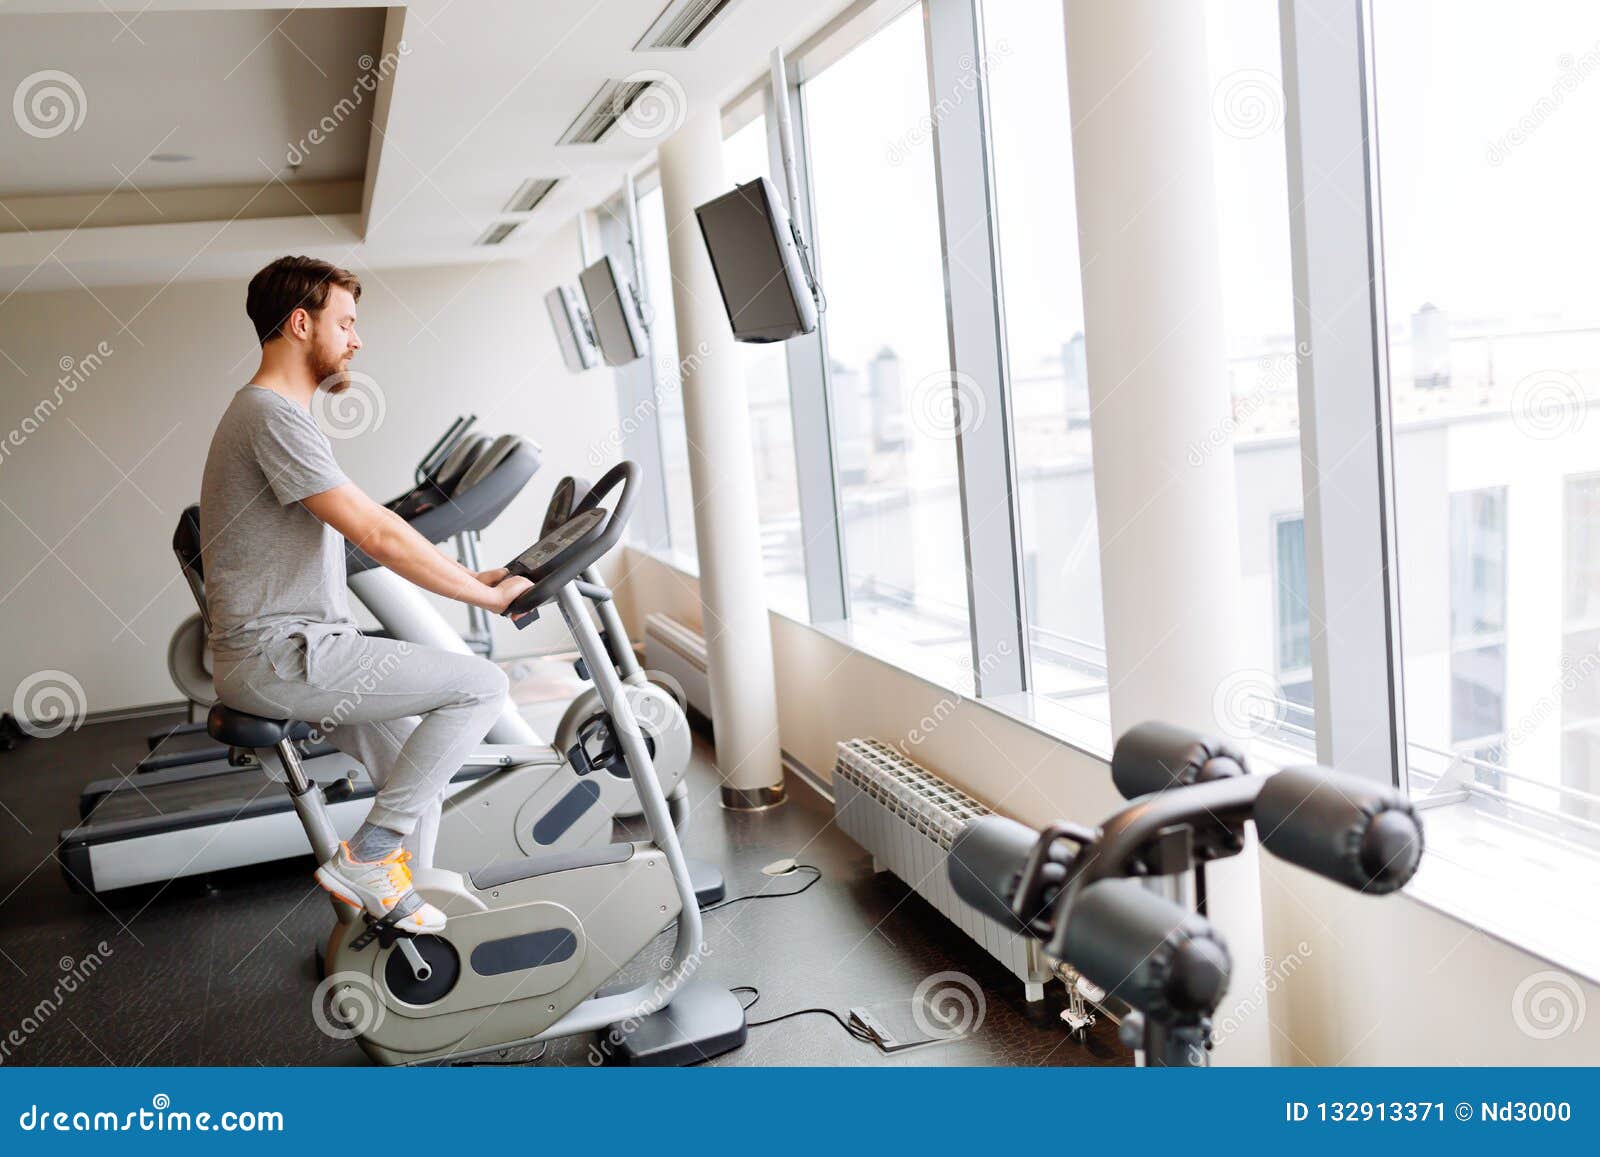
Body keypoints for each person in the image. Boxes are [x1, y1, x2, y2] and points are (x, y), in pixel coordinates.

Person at [200, 255, 532, 933]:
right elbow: (377, 533)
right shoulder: (271, 416)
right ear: (301, 323)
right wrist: (487, 601)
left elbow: (368, 525)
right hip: (284, 655)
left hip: (295, 650)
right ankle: (371, 857)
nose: (356, 339)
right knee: (481, 684)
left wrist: (478, 578)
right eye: (345, 322)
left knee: (419, 765)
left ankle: (389, 921)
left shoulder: (271, 414)